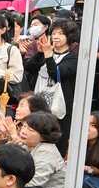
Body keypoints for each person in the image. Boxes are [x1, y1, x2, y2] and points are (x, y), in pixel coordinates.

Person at [24, 19, 78, 147]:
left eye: (61, 33)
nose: (56, 36)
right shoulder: (47, 52)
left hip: (58, 106)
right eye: (54, 33)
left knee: (53, 138)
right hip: (39, 99)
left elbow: (57, 74)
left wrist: (48, 54)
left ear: (69, 37)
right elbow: (29, 68)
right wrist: (40, 53)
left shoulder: (73, 57)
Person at [17, 111, 65, 188]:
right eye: (24, 126)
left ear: (44, 136)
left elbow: (34, 184)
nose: (23, 131)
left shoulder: (46, 152)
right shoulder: (28, 145)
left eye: (31, 130)